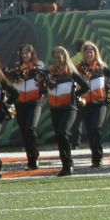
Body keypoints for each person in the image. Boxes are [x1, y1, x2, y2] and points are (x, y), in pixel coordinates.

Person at [39, 46, 90, 176]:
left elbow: (85, 86)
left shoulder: (71, 72)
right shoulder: (50, 73)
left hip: (69, 108)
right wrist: (43, 85)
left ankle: (68, 164)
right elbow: (42, 91)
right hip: (54, 109)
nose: (56, 59)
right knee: (59, 136)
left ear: (64, 57)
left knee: (63, 132)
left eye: (59, 57)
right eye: (54, 57)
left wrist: (74, 94)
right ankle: (65, 166)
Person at [77, 41, 110, 168]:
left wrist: (108, 87)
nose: (89, 54)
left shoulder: (101, 67)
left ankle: (98, 157)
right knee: (90, 131)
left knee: (96, 128)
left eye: (91, 51)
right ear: (83, 54)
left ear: (95, 53)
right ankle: (95, 158)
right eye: (87, 51)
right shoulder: (78, 68)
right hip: (86, 104)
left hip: (100, 103)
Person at [5, 44, 46, 170]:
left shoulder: (38, 66)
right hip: (20, 103)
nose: (25, 55)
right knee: (24, 132)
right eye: (23, 53)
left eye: (27, 52)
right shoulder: (16, 68)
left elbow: (43, 75)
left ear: (32, 54)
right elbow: (8, 80)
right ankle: (31, 160)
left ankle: (35, 155)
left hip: (34, 102)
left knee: (30, 128)